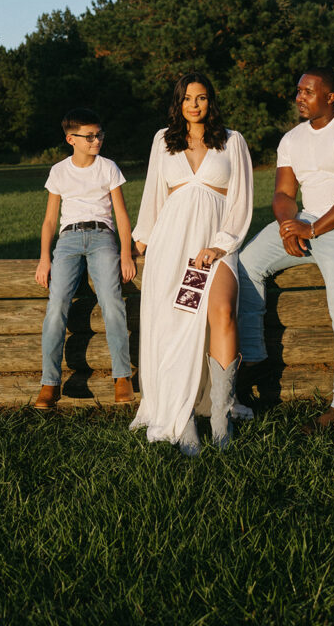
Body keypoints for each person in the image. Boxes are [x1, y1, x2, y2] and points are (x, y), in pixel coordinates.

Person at [237, 68, 334, 430]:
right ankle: (256, 359)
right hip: (306, 220)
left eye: (308, 91)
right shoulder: (291, 140)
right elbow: (284, 194)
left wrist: (313, 228)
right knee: (246, 264)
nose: (299, 97)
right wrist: (289, 226)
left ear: (330, 97)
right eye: (298, 91)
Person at [131, 73, 253, 455]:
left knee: (222, 312)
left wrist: (219, 246)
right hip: (172, 244)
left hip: (216, 244)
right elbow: (154, 192)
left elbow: (241, 201)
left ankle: (220, 418)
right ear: (178, 103)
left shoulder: (233, 141)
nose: (194, 105)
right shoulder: (162, 140)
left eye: (201, 98)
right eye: (187, 98)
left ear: (211, 101)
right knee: (173, 326)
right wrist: (142, 240)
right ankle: (181, 420)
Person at [34, 108, 135, 409]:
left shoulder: (108, 168)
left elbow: (121, 215)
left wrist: (126, 252)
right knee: (56, 306)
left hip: (103, 237)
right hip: (68, 240)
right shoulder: (59, 171)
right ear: (71, 139)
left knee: (112, 301)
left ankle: (122, 377)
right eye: (89, 136)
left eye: (99, 134)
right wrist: (44, 258)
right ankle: (49, 383)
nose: (96, 141)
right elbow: (50, 220)